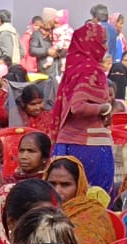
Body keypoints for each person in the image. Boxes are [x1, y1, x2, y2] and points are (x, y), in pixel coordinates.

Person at [50, 20, 116, 195]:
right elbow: (77, 107)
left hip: (67, 143)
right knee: (92, 201)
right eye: (102, 42)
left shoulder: (73, 69)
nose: (104, 47)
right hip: (89, 146)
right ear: (91, 43)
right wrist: (105, 108)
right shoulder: (90, 70)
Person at [44, 155, 117, 244]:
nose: (57, 191)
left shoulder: (93, 214)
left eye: (65, 185)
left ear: (79, 185)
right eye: (52, 184)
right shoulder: (38, 209)